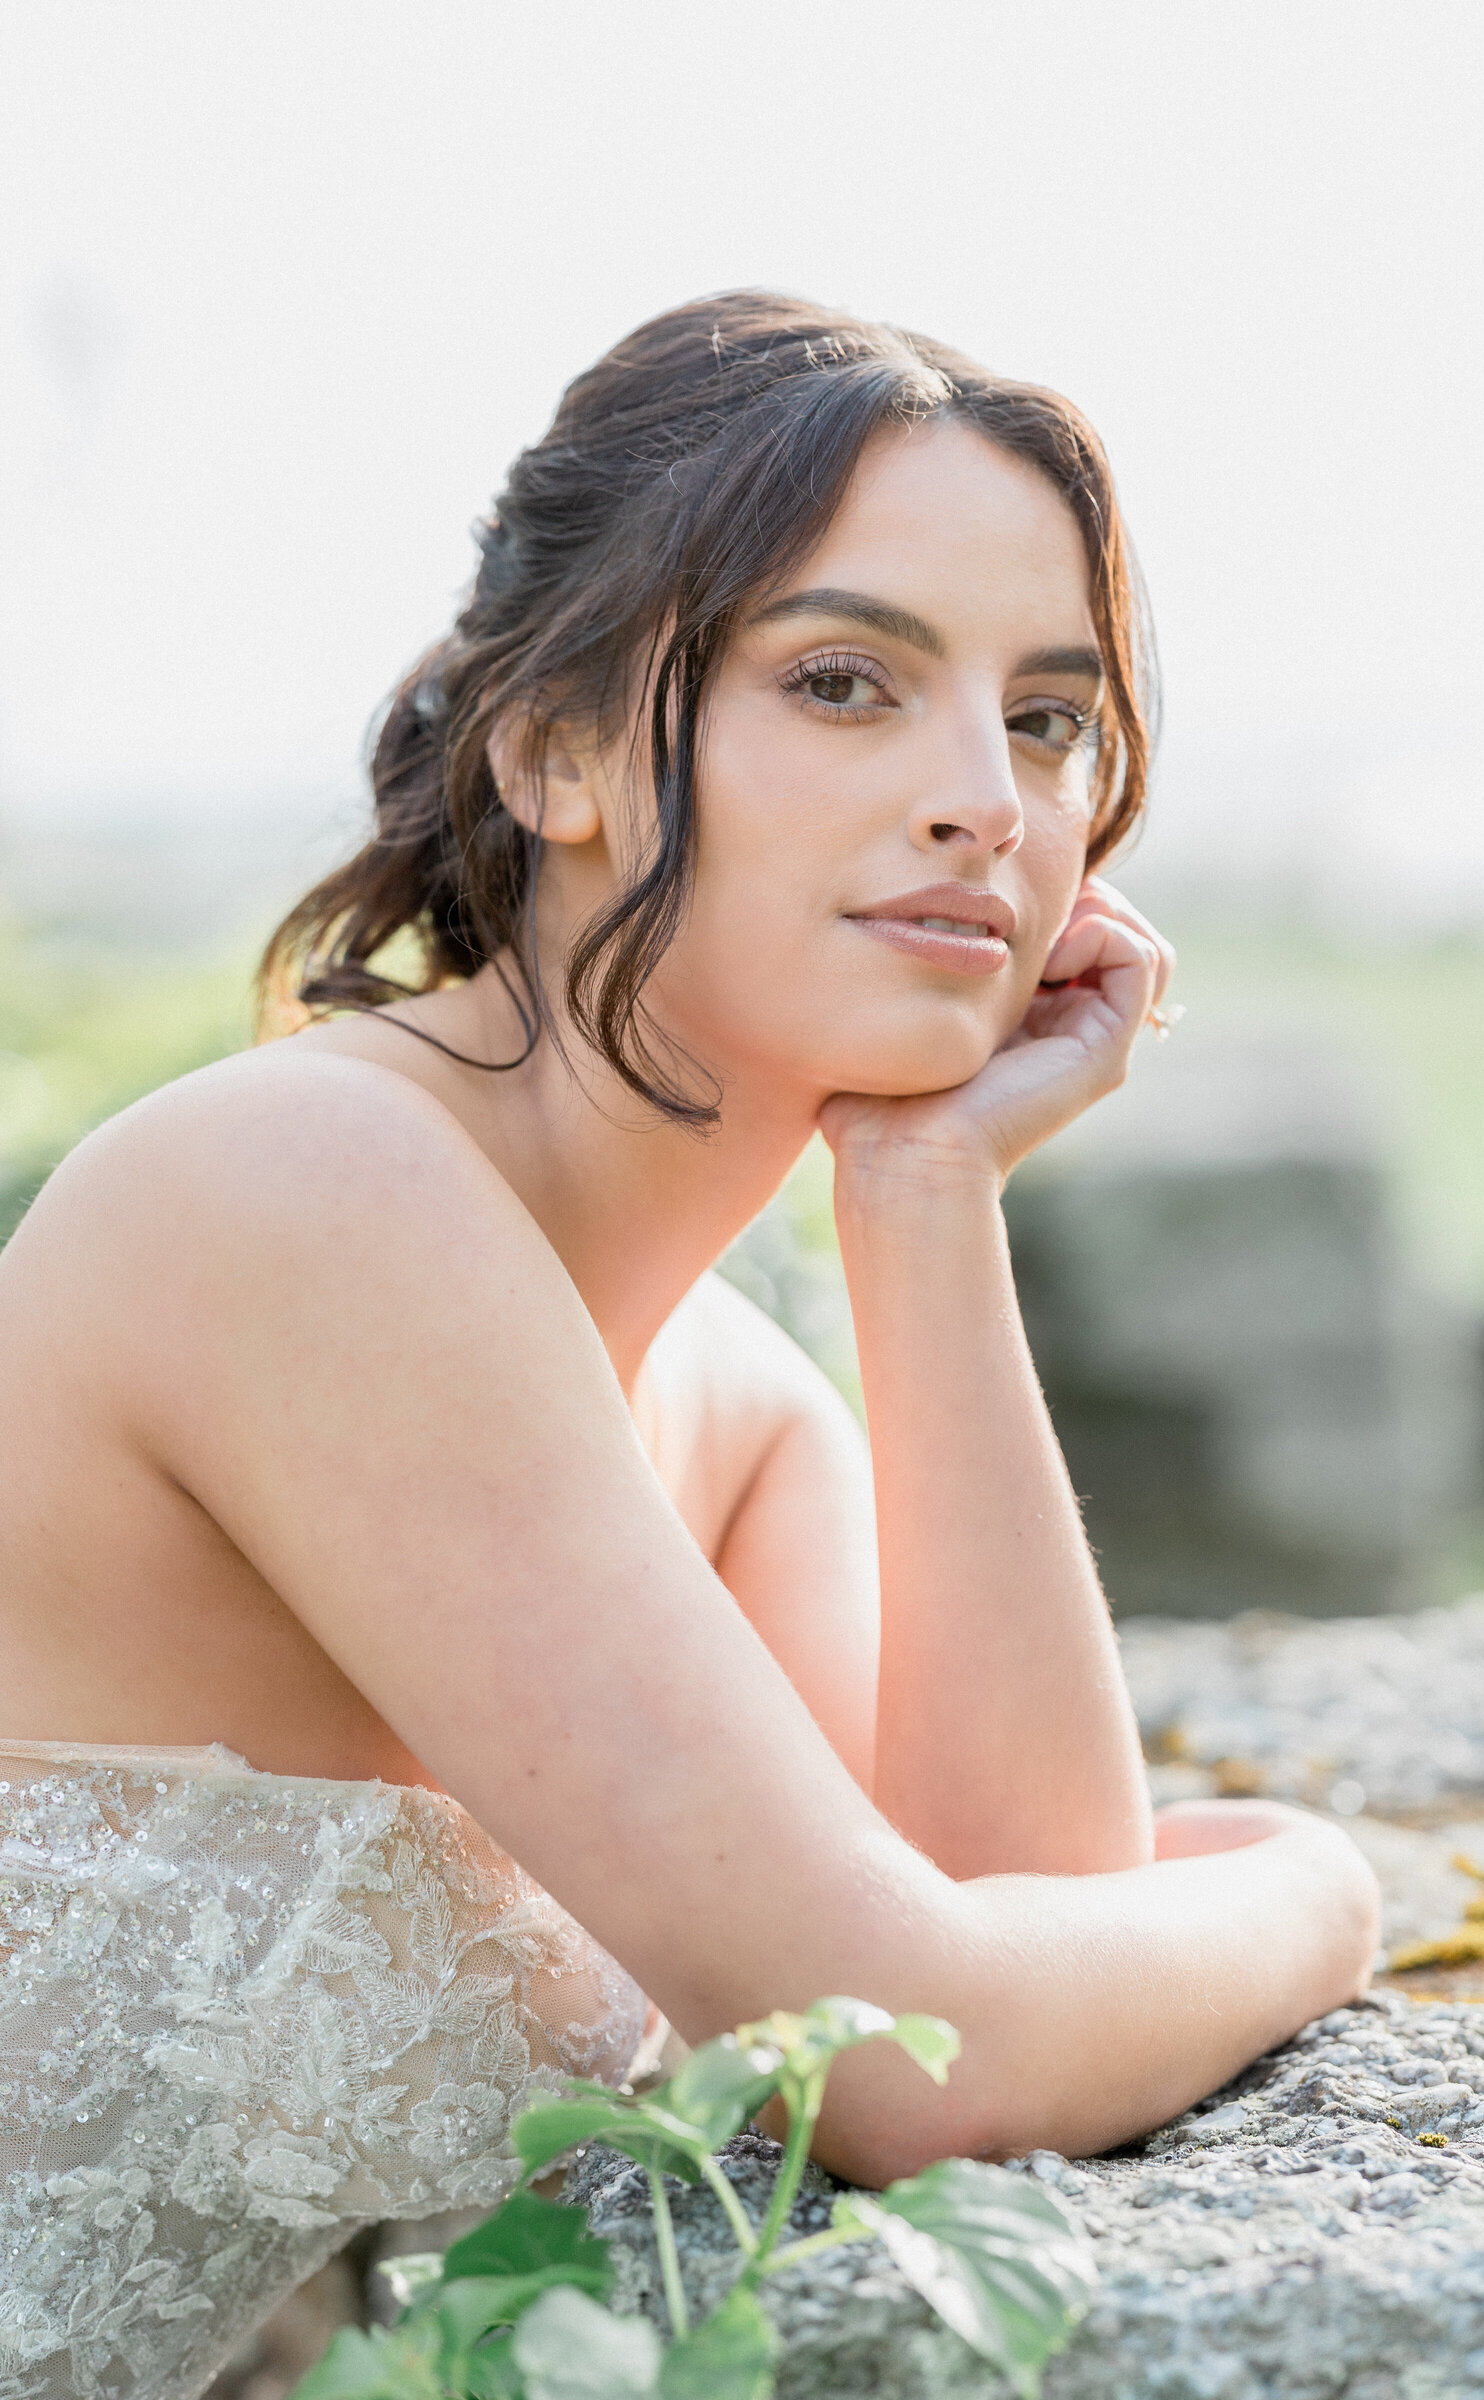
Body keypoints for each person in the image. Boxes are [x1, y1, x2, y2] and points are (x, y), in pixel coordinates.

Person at [0, 292, 1377, 2397]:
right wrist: (1315, 1887)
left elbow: (1017, 1939)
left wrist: (925, 1206)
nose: (982, 806)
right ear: (547, 749)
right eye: (844, 683)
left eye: (1043, 721)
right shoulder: (299, 1192)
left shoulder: (740, 1421)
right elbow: (930, 2056)